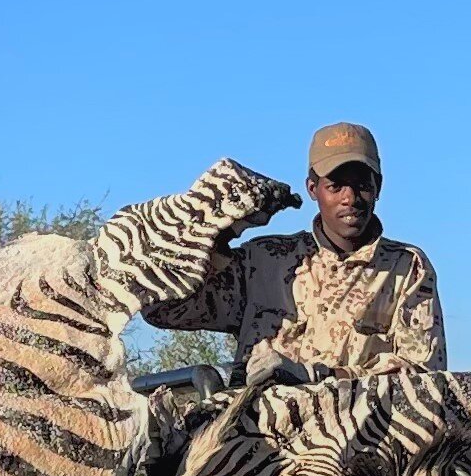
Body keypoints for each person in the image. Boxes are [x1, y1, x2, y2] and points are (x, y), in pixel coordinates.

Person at [144, 121, 448, 376]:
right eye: (336, 186)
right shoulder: (262, 262)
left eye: (362, 186)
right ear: (312, 189)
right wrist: (220, 230)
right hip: (258, 437)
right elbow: (164, 310)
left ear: (378, 188)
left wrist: (317, 376)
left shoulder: (407, 268)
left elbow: (421, 376)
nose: (350, 198)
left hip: (356, 440)